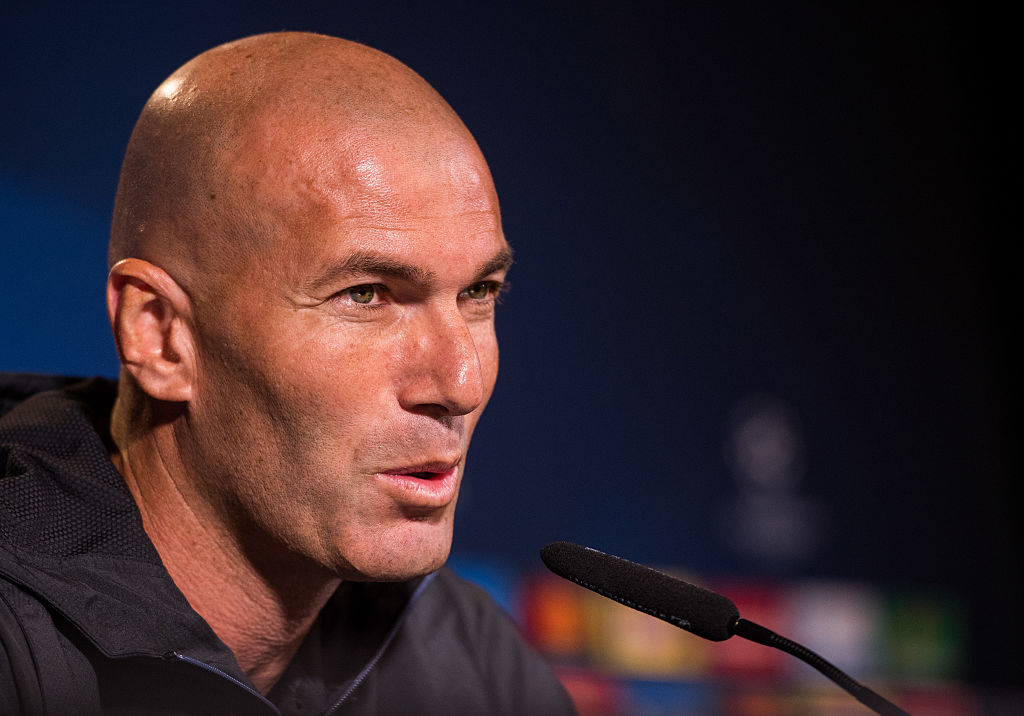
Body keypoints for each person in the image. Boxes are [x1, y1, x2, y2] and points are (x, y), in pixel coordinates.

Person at [0, 32, 576, 715]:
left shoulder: (470, 660)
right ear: (159, 335)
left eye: (479, 293)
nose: (461, 385)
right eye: (365, 295)